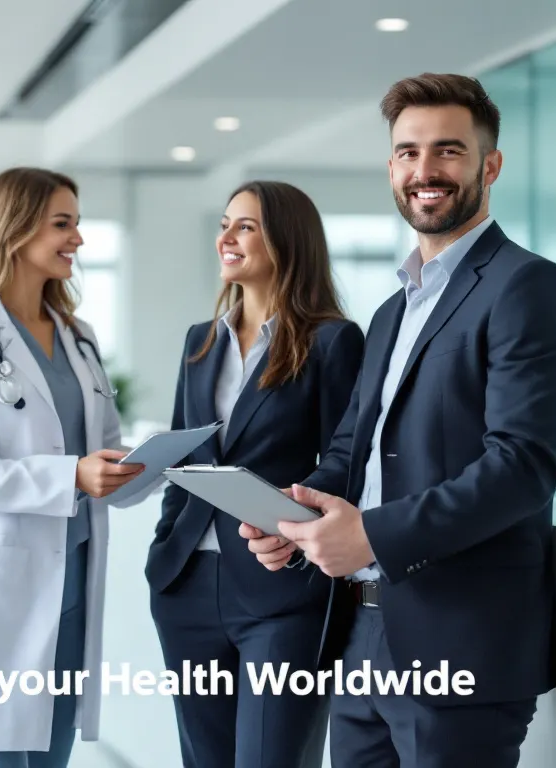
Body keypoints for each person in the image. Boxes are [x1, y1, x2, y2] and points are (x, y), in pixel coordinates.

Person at [243, 73, 556, 767]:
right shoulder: (392, 311)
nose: (424, 171)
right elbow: (353, 451)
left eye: (448, 151)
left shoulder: (527, 286)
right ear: (392, 168)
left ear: (491, 165)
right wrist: (296, 515)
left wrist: (370, 535)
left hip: (461, 641)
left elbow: (521, 467)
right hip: (362, 633)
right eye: (408, 152)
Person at [0, 167, 158, 766]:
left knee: (53, 754)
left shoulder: (79, 337)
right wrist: (70, 476)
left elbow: (101, 450)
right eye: (62, 224)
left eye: (76, 223)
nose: (78, 238)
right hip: (2, 584)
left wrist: (150, 466)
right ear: (14, 229)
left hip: (74, 581)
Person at [145, 180, 365, 768]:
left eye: (246, 226)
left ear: (288, 240)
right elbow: (182, 454)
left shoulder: (332, 340)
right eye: (225, 225)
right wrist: (166, 543)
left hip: (283, 586)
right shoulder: (200, 340)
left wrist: (296, 525)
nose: (227, 238)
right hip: (188, 583)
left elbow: (347, 459)